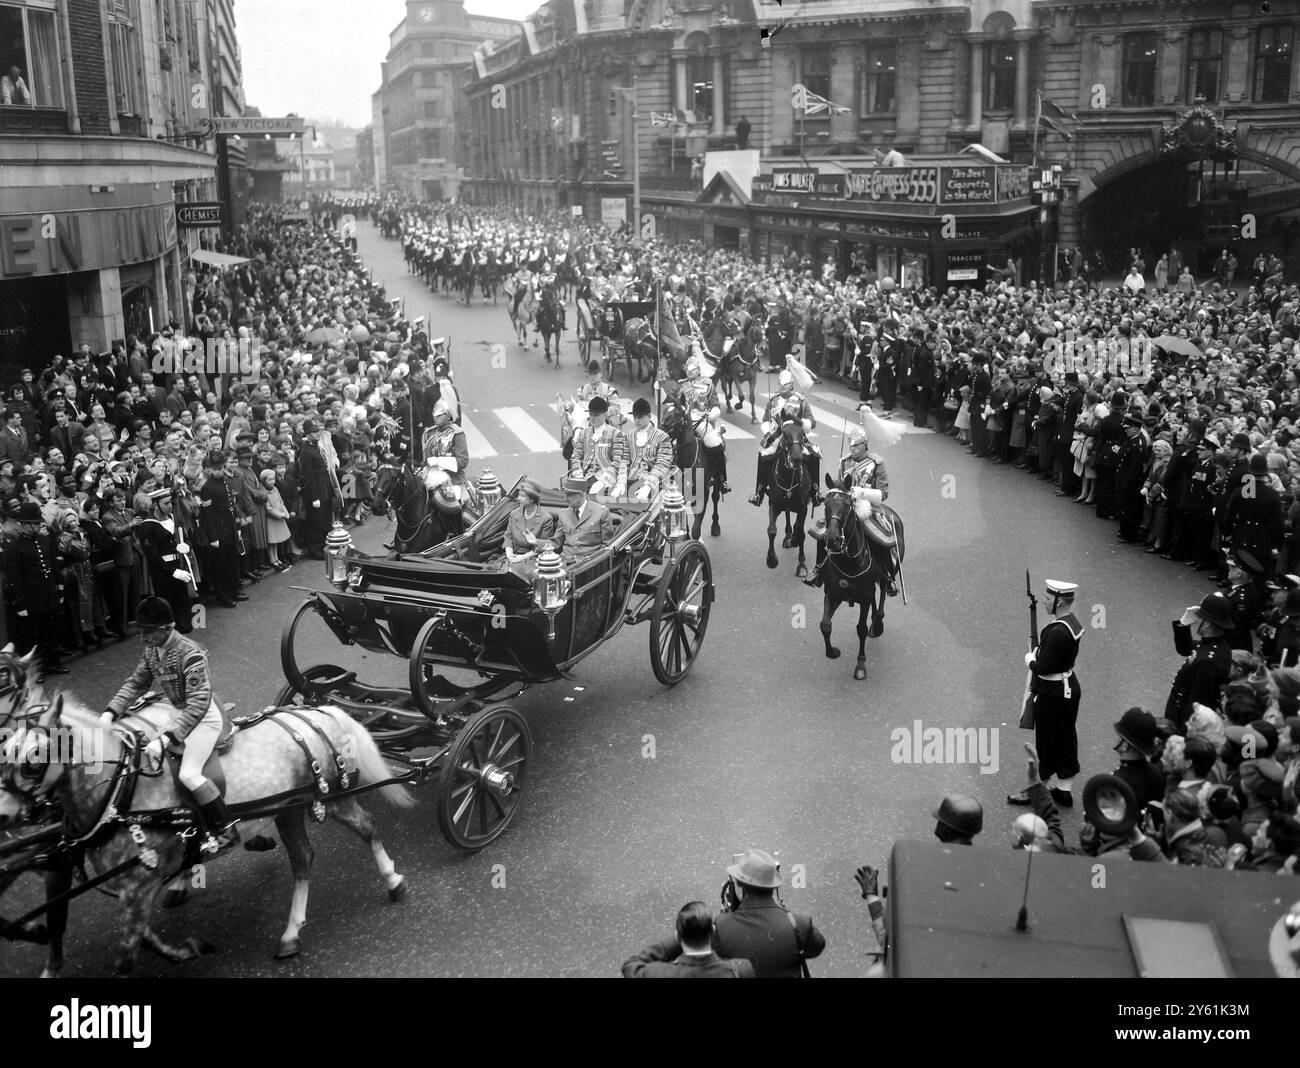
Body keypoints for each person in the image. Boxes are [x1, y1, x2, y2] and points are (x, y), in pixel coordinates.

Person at [103, 596, 238, 857]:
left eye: (148, 632)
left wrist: (167, 739)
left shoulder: (191, 654)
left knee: (189, 773)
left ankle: (226, 829)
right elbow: (136, 683)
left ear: (168, 628)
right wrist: (110, 712)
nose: (142, 638)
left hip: (202, 718)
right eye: (140, 632)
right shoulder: (152, 650)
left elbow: (199, 704)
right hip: (177, 712)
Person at [1009, 579, 1084, 808]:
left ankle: (1037, 790)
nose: (1045, 601)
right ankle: (1063, 791)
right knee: (1065, 738)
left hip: (1053, 692)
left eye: (1049, 599)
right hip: (1067, 686)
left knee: (1047, 741)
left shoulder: (1057, 631)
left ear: (1060, 602)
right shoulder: (1071, 623)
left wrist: (1031, 660)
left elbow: (1043, 667)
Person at [713, 849, 825, 978]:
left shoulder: (721, 927)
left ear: (738, 882)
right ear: (774, 885)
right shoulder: (799, 925)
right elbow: (816, 947)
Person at [805, 424, 892, 589]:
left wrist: (863, 493)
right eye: (851, 445)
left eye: (856, 445)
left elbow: (883, 493)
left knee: (880, 534)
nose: (852, 449)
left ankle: (888, 575)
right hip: (846, 505)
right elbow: (839, 485)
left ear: (864, 445)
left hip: (868, 506)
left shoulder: (876, 463)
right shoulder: (845, 462)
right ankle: (818, 570)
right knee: (825, 529)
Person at [5, 502, 67, 677]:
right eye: (34, 524)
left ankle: (53, 663)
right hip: (31, 597)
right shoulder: (15, 547)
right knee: (33, 636)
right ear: (24, 524)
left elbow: (54, 567)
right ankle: (36, 670)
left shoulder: (45, 540)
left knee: (51, 631)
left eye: (39, 523)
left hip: (48, 594)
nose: (38, 526)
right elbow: (15, 578)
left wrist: (59, 589)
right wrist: (20, 604)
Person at [621, 901, 755, 978]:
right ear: (713, 932)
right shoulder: (741, 970)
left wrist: (672, 942)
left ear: (679, 936)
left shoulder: (658, 973)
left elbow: (630, 966)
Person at [751, 369, 819, 507]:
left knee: (814, 455)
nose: (783, 388)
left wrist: (803, 425)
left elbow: (812, 422)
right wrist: (767, 432)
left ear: (791, 385)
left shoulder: (801, 401)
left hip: (797, 436)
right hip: (777, 435)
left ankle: (816, 491)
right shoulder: (773, 401)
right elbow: (765, 420)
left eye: (786, 385)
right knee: (763, 454)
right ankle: (759, 491)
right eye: (781, 385)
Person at [1167, 591, 1234, 730]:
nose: (1197, 620)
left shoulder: (1207, 661)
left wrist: (1185, 733)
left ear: (1208, 624)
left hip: (1182, 716)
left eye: (1200, 617)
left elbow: (1197, 703)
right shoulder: (1214, 645)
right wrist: (1184, 623)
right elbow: (1185, 649)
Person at [135, 486, 193, 634]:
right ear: (156, 505)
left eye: (170, 503)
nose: (170, 506)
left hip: (179, 566)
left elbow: (184, 536)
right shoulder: (147, 526)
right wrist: (173, 572)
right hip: (163, 573)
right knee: (168, 606)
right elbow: (152, 556)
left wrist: (187, 546)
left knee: (182, 605)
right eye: (166, 503)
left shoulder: (173, 518)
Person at [198, 449, 243, 608]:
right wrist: (213, 537)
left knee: (231, 562)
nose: (218, 472)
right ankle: (222, 595)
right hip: (218, 531)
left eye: (220, 468)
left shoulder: (224, 481)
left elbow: (231, 505)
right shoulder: (207, 488)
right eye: (215, 469)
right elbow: (207, 514)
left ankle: (233, 590)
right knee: (220, 565)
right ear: (209, 469)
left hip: (229, 528)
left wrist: (236, 525)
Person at [548, 474, 615, 564]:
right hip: (564, 563)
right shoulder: (564, 514)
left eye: (569, 495)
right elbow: (556, 542)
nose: (565, 499)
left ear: (581, 494)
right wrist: (536, 542)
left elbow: (607, 546)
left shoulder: (601, 512)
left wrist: (593, 562)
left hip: (588, 564)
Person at [568, 396, 627, 497]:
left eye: (596, 415)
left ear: (605, 415)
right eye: (591, 414)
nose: (592, 418)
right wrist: (578, 472)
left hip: (606, 477)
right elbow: (576, 456)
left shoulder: (615, 434)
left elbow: (617, 461)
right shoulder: (584, 433)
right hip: (585, 477)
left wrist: (603, 481)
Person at [1111, 707, 1166, 808]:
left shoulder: (1118, 781)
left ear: (1125, 745)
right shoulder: (1157, 773)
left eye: (1119, 736)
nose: (1116, 738)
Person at [623, 397, 674, 501]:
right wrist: (620, 480)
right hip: (631, 481)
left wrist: (648, 485)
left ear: (649, 416)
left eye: (640, 417)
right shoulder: (629, 436)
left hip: (655, 483)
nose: (636, 420)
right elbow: (624, 460)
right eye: (635, 417)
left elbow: (662, 464)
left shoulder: (662, 437)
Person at [504, 477, 555, 572]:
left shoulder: (546, 518)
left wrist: (522, 557)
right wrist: (510, 555)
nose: (518, 498)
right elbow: (508, 537)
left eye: (522, 496)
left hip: (532, 558)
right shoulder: (514, 514)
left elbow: (545, 546)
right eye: (519, 495)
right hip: (513, 555)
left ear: (532, 499)